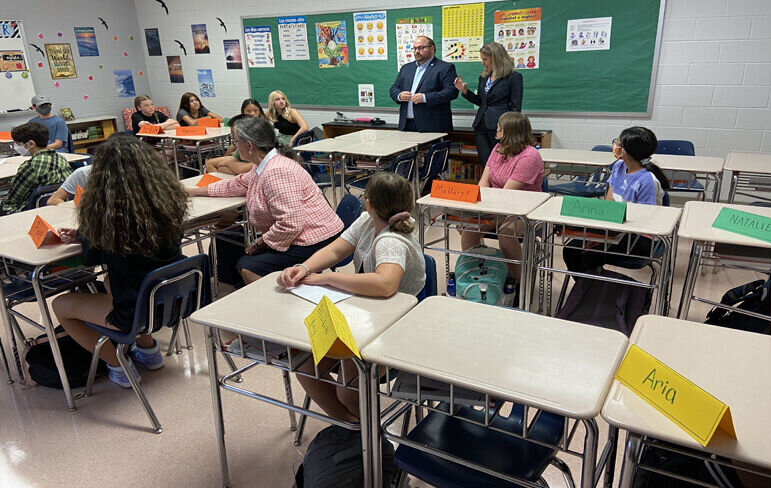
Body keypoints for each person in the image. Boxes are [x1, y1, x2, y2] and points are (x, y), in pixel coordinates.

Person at [278, 172, 426, 422]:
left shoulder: (391, 240)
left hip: (395, 327)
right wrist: (305, 268)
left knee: (347, 391)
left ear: (369, 202)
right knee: (305, 368)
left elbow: (385, 284)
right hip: (368, 315)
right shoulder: (368, 221)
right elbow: (337, 249)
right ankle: (352, 429)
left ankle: (370, 439)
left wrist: (326, 278)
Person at [51, 134, 188, 388]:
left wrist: (86, 236)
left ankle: (117, 364)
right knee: (109, 281)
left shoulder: (106, 216)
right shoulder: (168, 201)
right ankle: (149, 351)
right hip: (173, 298)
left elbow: (90, 259)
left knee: (60, 306)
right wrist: (84, 236)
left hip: (137, 308)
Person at [187, 116, 342, 285]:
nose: (234, 146)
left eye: (236, 141)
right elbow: (236, 184)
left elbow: (291, 222)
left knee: (248, 267)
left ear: (249, 145)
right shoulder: (264, 165)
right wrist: (192, 191)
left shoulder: (276, 171)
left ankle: (277, 303)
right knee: (231, 240)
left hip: (314, 238)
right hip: (301, 232)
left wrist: (263, 241)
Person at [562, 126, 670, 274]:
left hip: (640, 236)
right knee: (570, 249)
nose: (614, 146)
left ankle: (599, 291)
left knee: (586, 256)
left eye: (617, 143)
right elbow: (609, 203)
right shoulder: (619, 166)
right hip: (617, 229)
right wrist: (600, 230)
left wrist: (610, 235)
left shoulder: (647, 180)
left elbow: (645, 219)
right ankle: (589, 290)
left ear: (625, 150)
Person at [459, 112, 543, 282]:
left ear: (510, 132)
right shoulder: (498, 149)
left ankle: (518, 282)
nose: (496, 131)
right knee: (469, 230)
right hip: (497, 206)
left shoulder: (530, 156)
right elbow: (484, 182)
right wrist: (474, 207)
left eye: (500, 128)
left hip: (525, 210)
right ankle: (479, 273)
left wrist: (485, 208)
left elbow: (507, 193)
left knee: (506, 234)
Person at [454, 42, 524, 165]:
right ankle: (487, 184)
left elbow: (516, 107)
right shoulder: (484, 77)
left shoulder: (513, 78)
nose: (483, 62)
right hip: (481, 125)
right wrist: (464, 90)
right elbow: (481, 102)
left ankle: (498, 185)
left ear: (496, 59)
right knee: (486, 162)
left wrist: (507, 129)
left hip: (500, 127)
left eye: (485, 59)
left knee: (501, 163)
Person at [389, 35, 458, 132]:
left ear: (432, 48)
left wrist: (425, 98)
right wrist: (400, 95)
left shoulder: (445, 68)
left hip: (432, 126)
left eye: (421, 48)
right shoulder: (406, 68)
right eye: (415, 48)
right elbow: (394, 88)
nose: (417, 51)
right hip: (406, 124)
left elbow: (451, 92)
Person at [1, 123, 72, 215]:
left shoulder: (30, 167)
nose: (16, 148)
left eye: (18, 144)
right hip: (57, 209)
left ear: (30, 144)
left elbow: (12, 200)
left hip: (28, 212)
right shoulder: (62, 159)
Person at [204, 99, 263, 174]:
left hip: (253, 166)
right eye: (248, 111)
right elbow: (234, 157)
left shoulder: (261, 133)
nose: (252, 114)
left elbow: (242, 169)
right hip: (243, 162)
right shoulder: (240, 126)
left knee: (225, 167)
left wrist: (228, 164)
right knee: (211, 163)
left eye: (255, 110)